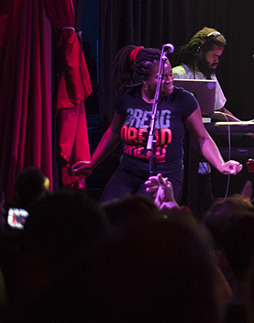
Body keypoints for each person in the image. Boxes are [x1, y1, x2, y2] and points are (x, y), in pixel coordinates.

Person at [71, 46, 243, 203]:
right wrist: (92, 163)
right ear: (144, 81)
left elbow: (202, 137)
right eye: (162, 77)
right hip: (128, 172)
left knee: (144, 220)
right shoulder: (128, 96)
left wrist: (220, 164)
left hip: (165, 175)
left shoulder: (183, 100)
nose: (169, 80)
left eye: (170, 75)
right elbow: (114, 132)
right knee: (107, 214)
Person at [172, 27, 237, 121]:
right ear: (200, 52)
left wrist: (249, 129)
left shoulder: (211, 77)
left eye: (219, 56)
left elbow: (221, 110)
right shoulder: (177, 74)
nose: (217, 60)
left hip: (204, 135)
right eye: (214, 56)